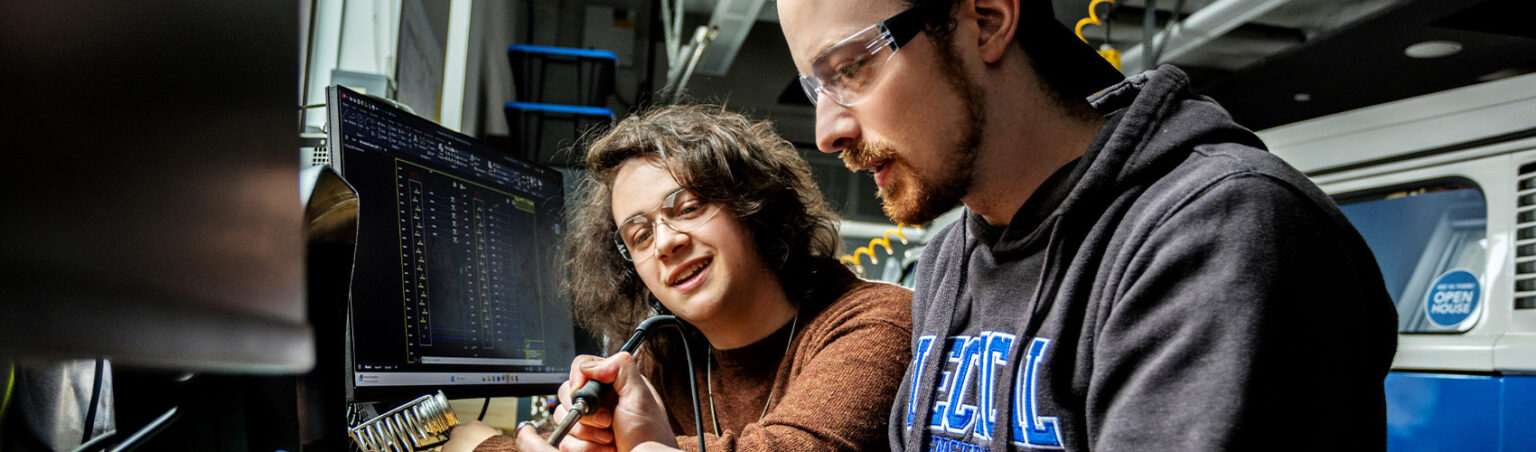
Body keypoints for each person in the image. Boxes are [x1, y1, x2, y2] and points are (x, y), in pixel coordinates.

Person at [772, 0, 1400, 451]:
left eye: (850, 68)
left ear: (985, 21)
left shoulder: (1221, 227)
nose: (828, 132)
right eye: (815, 90)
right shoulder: (948, 260)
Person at [446, 104, 913, 452]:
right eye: (640, 235)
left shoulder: (876, 323)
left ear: (754, 206)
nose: (666, 242)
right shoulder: (663, 356)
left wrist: (478, 443)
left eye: (688, 207)